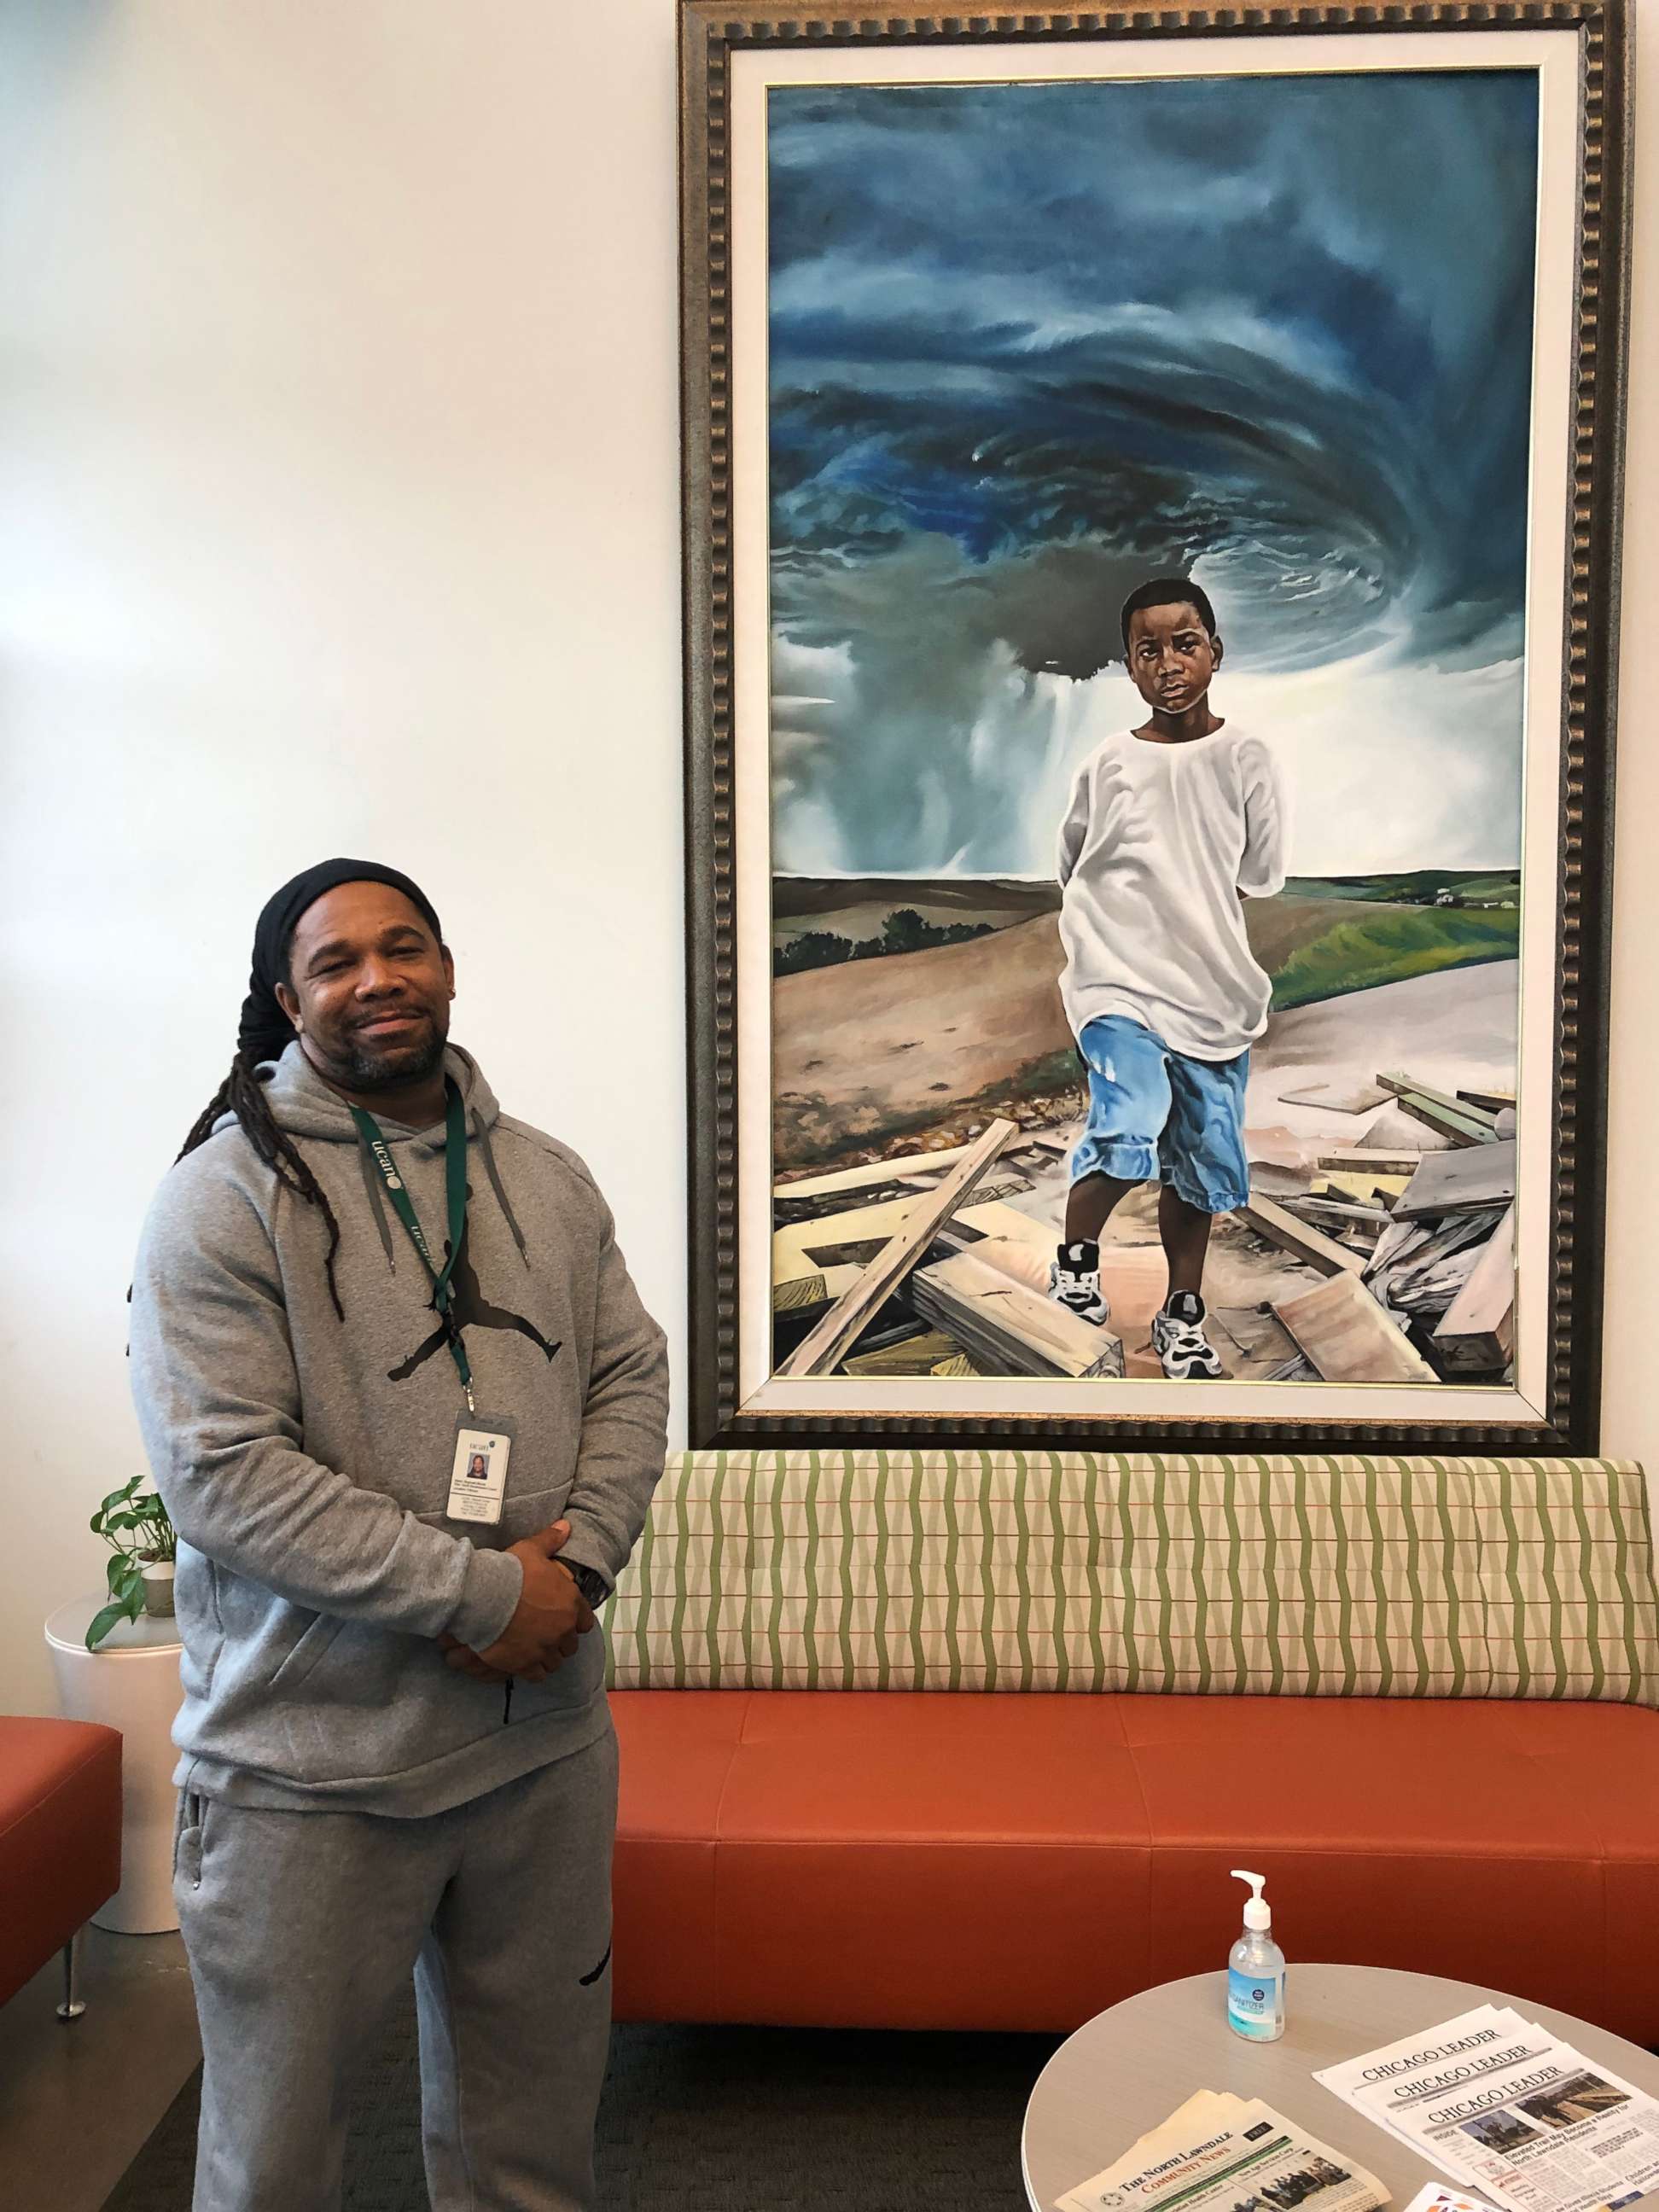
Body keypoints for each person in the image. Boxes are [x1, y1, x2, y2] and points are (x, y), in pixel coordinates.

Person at [128, 859, 669, 2212]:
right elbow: (226, 1476)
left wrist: (582, 1565)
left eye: (404, 945)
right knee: (273, 2164)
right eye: (336, 962)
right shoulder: (222, 1196)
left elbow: (631, 1376)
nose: (379, 978)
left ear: (444, 963)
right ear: (284, 999)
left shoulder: (549, 1177)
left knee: (533, 2147)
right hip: (306, 1778)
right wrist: (486, 1595)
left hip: (541, 1754)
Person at [1048, 579, 1287, 1379]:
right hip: (1116, 983)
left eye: (1186, 643)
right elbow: (1071, 861)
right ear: (1129, 666)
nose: (1170, 663)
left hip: (1214, 993)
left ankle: (1182, 1317)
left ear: (1216, 652)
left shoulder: (1246, 755)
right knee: (1128, 1124)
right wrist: (1122, 931)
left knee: (1203, 1162)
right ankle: (1075, 1262)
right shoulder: (1108, 762)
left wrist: (1189, 914)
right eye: (1149, 650)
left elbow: (1261, 871)